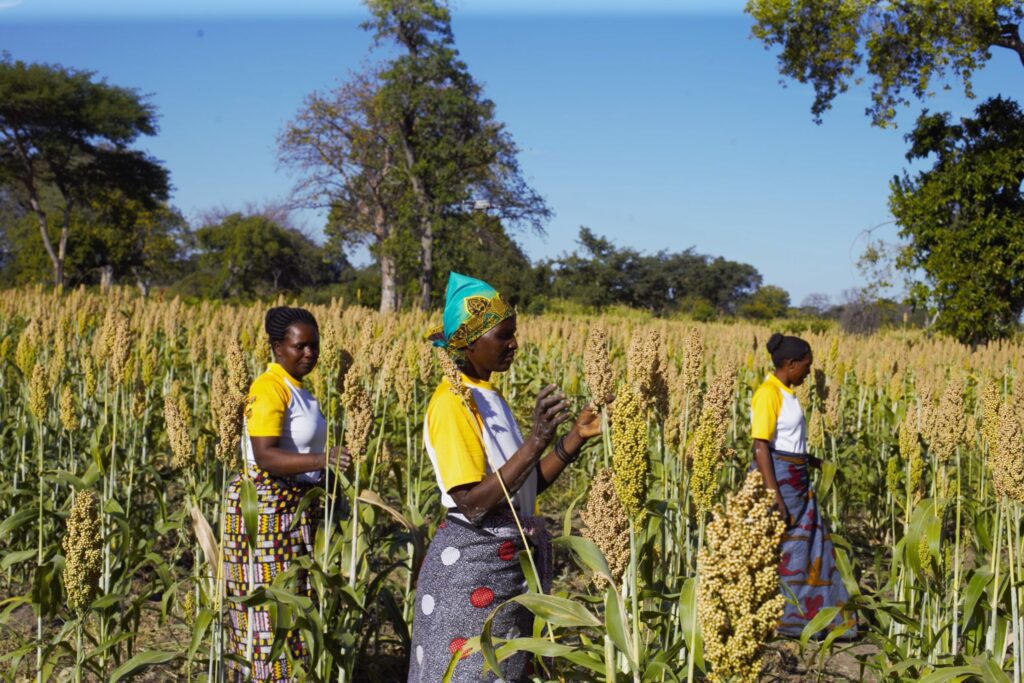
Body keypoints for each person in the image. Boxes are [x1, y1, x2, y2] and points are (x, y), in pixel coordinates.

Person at [408, 273, 603, 683]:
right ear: (470, 340)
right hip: (470, 573)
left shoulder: (489, 396)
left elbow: (522, 488)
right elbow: (474, 502)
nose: (515, 344)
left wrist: (572, 439)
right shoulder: (451, 403)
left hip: (506, 568)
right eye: (505, 335)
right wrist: (534, 440)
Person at [223, 306, 350, 682]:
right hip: (264, 510)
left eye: (315, 346)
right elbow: (265, 455)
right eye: (300, 346)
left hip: (293, 509)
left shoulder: (299, 389)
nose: (309, 354)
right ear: (278, 347)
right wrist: (322, 459)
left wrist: (322, 478)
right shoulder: (269, 387)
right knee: (269, 611)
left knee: (295, 604)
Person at [751, 332, 855, 639]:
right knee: (788, 548)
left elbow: (787, 441)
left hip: (795, 478)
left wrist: (812, 461)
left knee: (806, 549)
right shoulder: (767, 393)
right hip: (780, 481)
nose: (810, 371)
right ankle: (781, 619)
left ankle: (806, 620)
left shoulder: (785, 392)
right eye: (806, 366)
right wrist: (774, 496)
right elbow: (761, 447)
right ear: (790, 363)